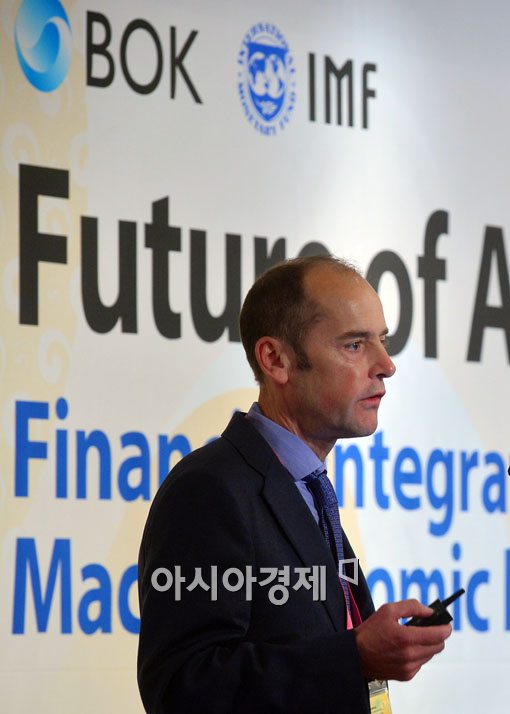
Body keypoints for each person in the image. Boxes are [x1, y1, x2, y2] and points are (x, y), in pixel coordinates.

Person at [137, 255, 452, 713]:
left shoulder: (308, 487)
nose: (386, 365)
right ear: (276, 360)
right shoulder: (209, 490)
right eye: (354, 345)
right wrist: (353, 658)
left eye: (382, 341)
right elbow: (182, 687)